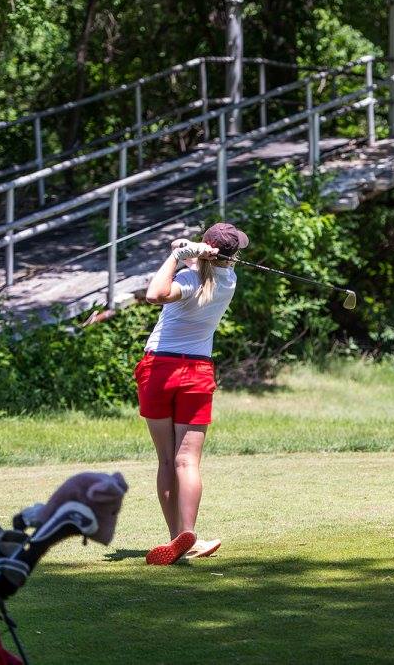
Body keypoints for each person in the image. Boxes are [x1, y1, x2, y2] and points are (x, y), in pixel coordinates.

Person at [135, 222, 248, 565]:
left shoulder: (187, 279)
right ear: (231, 255)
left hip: (158, 368)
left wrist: (176, 255)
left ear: (206, 247)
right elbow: (194, 261)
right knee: (187, 461)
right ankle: (188, 534)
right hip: (197, 373)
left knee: (167, 460)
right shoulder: (228, 280)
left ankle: (177, 537)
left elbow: (154, 294)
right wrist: (184, 249)